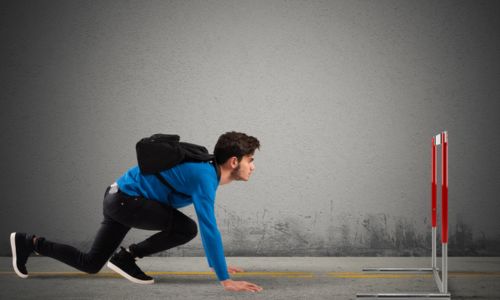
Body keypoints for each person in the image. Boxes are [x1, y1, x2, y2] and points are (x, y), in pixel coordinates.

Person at [10, 131, 263, 293]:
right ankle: (126, 257)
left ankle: (30, 243)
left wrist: (219, 264)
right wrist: (224, 278)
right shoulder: (204, 177)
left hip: (118, 198)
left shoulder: (206, 170)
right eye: (250, 160)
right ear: (233, 161)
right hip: (125, 201)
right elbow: (209, 227)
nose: (252, 166)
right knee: (187, 228)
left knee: (89, 264)